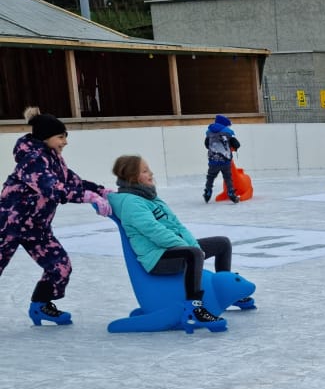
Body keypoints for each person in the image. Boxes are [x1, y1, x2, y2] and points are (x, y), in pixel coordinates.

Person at [0, 107, 110, 326]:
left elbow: (71, 182)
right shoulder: (31, 160)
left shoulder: (54, 158)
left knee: (60, 267)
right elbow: (51, 188)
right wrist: (87, 197)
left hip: (36, 227)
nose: (65, 142)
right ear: (45, 137)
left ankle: (41, 306)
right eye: (61, 137)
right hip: (9, 225)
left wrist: (101, 191)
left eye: (65, 136)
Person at [111, 154, 249, 325]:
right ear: (132, 177)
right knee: (192, 255)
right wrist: (189, 249)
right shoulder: (131, 203)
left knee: (222, 244)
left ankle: (226, 292)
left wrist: (193, 245)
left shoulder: (149, 197)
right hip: (156, 257)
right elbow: (154, 231)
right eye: (145, 171)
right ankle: (195, 307)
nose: (151, 173)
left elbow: (177, 225)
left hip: (170, 248)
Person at [203, 115, 240, 204]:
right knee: (227, 178)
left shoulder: (209, 133)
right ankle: (231, 193)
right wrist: (233, 147)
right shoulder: (228, 133)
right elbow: (237, 144)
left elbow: (206, 144)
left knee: (210, 177)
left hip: (213, 161)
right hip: (225, 161)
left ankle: (208, 192)